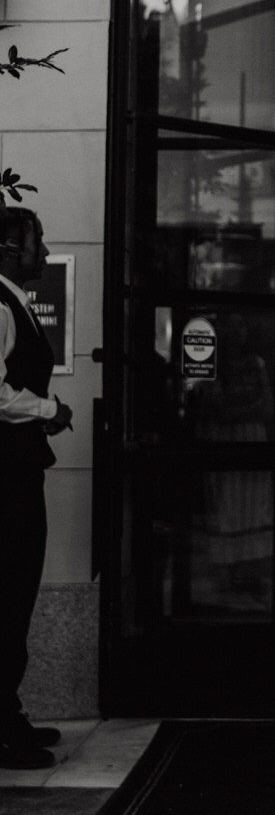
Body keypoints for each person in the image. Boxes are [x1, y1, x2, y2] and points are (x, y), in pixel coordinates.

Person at [0, 206, 72, 770]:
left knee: (16, 595)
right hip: (5, 476)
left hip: (18, 468)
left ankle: (7, 713)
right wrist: (49, 407)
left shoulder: (11, 302)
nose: (44, 254)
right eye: (37, 243)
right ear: (7, 246)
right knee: (8, 593)